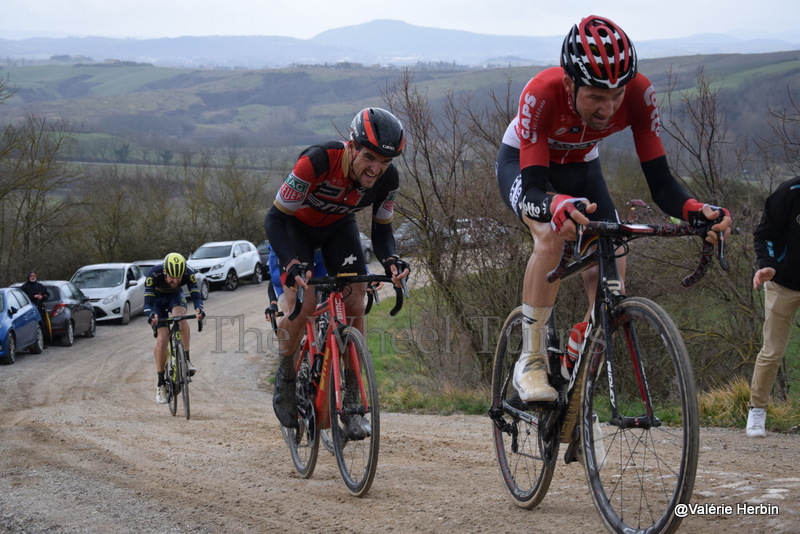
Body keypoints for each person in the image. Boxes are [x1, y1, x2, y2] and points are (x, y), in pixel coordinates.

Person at [495, 15, 731, 402]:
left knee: (614, 260)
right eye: (596, 97)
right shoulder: (542, 93)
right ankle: (532, 359)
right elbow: (536, 189)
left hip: (584, 168)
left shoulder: (640, 95)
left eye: (616, 95)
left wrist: (694, 210)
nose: (608, 109)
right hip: (526, 165)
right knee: (551, 236)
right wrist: (556, 204)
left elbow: (662, 184)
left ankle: (580, 358)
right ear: (571, 84)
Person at [265, 107, 410, 435]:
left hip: (337, 228)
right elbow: (274, 218)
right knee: (304, 303)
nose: (376, 169)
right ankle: (286, 376)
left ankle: (353, 395)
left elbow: (383, 231)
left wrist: (390, 261)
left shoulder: (388, 180)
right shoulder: (317, 161)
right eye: (370, 158)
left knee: (356, 301)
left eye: (384, 162)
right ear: (352, 147)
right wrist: (290, 264)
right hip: (294, 228)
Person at [748, 176, 800, 437]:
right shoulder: (789, 192)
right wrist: (769, 264)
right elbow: (765, 233)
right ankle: (757, 411)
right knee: (773, 351)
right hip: (783, 282)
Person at [144, 253, 205, 404]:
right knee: (163, 338)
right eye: (172, 277)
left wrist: (199, 309)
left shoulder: (188, 273)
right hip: (157, 302)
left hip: (175, 298)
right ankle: (160, 384)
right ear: (165, 272)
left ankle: (187, 359)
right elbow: (148, 302)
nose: (175, 281)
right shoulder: (153, 274)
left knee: (181, 319)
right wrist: (151, 315)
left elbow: (196, 296)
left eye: (179, 278)